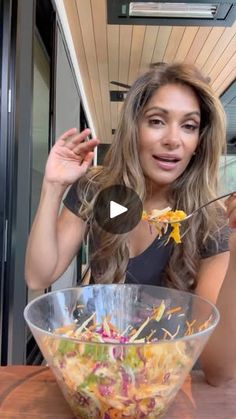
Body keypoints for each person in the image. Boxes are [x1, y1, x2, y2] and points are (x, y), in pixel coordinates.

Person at [25, 62, 236, 386]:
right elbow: (39, 275)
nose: (172, 139)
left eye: (189, 126)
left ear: (199, 142)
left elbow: (219, 373)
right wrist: (52, 186)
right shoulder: (104, 193)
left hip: (161, 382)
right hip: (90, 371)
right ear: (134, 128)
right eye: (156, 121)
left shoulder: (209, 223)